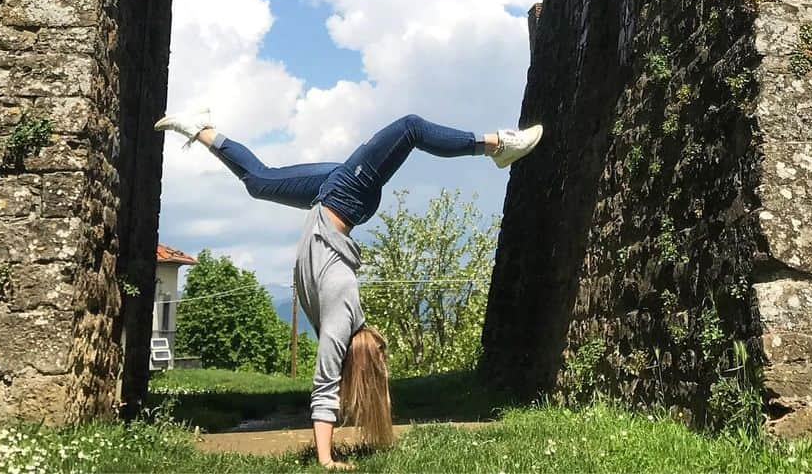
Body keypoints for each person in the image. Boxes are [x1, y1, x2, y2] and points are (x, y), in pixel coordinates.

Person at [155, 110, 543, 469]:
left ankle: (498, 145)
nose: (383, 346)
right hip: (339, 201)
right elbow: (330, 385)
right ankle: (496, 145)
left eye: (380, 354)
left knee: (405, 129)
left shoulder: (341, 321)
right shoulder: (338, 322)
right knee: (269, 179)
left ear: (365, 352)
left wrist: (325, 459)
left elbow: (324, 386)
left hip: (342, 195)